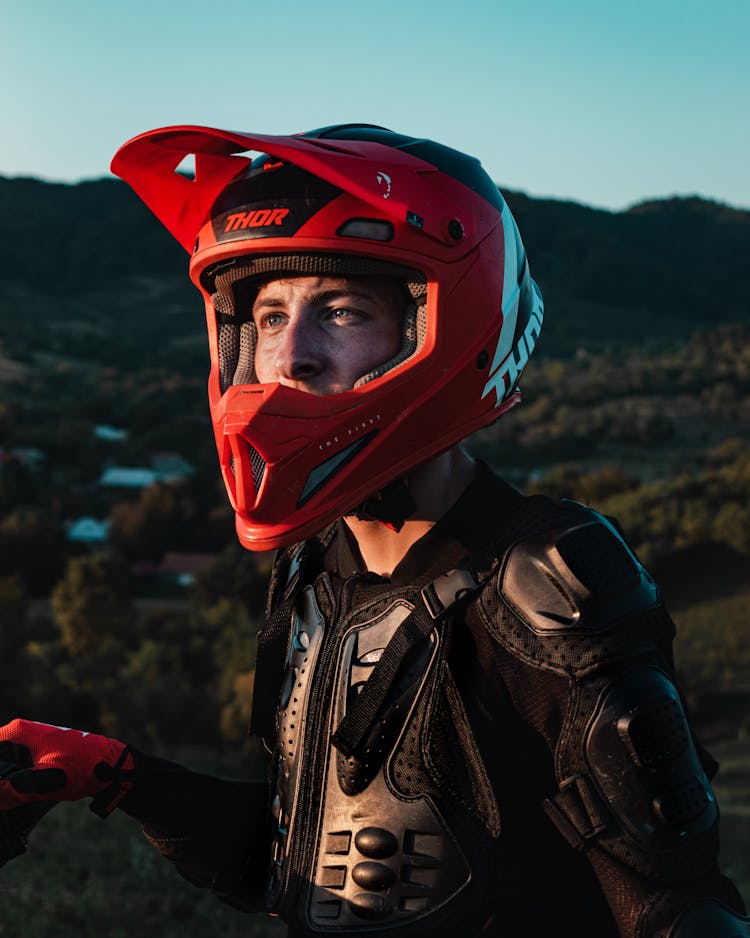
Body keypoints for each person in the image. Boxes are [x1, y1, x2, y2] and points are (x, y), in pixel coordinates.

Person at [0, 123, 747, 938]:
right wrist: (116, 777)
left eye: (342, 310)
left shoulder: (547, 588)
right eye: (270, 315)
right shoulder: (316, 569)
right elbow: (307, 866)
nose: (292, 356)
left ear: (446, 324)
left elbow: (679, 908)